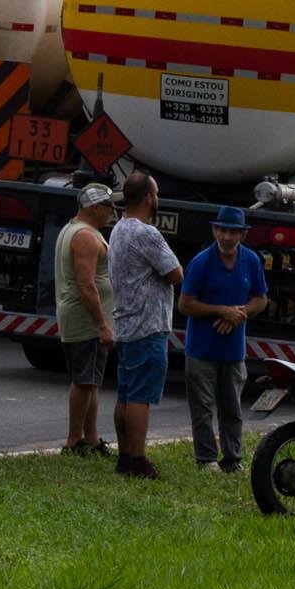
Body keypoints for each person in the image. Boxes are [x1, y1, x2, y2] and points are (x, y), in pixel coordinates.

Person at [177, 203, 269, 473]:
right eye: (223, 231)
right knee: (203, 407)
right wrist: (221, 311)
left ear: (242, 235)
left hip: (233, 350)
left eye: (233, 232)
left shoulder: (251, 260)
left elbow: (261, 299)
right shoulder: (201, 262)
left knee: (232, 408)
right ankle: (206, 459)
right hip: (201, 349)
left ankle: (233, 459)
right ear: (215, 231)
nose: (227, 237)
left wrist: (239, 313)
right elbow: (185, 304)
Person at [105, 170, 181, 480]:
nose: (158, 198)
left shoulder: (119, 229)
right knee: (141, 397)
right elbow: (175, 273)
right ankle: (137, 458)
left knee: (125, 394)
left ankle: (124, 455)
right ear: (149, 197)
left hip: (125, 321)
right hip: (148, 324)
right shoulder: (146, 233)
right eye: (156, 193)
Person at [52, 184, 118, 458]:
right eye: (108, 206)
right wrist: (102, 324)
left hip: (85, 318)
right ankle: (74, 439)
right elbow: (86, 285)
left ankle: (90, 438)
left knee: (91, 380)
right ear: (94, 208)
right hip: (85, 320)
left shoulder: (77, 230)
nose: (112, 212)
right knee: (83, 380)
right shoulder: (85, 237)